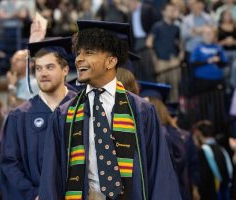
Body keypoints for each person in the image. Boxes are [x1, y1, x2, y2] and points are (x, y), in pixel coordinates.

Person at [39, 20, 181, 200]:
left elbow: (159, 171)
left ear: (111, 61)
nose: (79, 58)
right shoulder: (65, 113)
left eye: (88, 53)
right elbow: (52, 175)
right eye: (78, 53)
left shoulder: (141, 111)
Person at [0, 37, 77, 200]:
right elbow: (10, 163)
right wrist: (33, 194)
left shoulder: (83, 108)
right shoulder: (20, 116)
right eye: (39, 68)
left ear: (65, 70)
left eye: (50, 67)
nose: (43, 74)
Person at [146, 2, 182, 103]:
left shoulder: (177, 28)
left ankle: (175, 108)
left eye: (173, 10)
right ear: (163, 12)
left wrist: (180, 56)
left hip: (173, 60)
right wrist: (154, 59)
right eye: (170, 10)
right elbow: (149, 42)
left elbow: (180, 44)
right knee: (162, 86)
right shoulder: (157, 26)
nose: (172, 12)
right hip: (161, 60)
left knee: (175, 87)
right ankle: (162, 109)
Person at [194, 120, 233, 200]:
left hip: (210, 194)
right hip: (223, 191)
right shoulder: (222, 149)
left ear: (199, 133)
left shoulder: (203, 151)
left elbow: (203, 177)